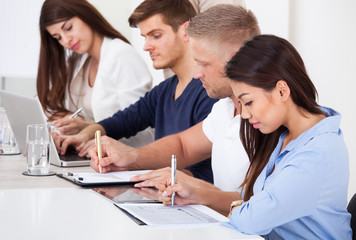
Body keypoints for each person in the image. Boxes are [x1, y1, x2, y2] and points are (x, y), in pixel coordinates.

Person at [157, 35, 352, 239]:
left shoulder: (317, 153)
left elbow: (252, 218)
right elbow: (258, 200)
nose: (244, 114)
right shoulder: (286, 136)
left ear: (282, 91)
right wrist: (197, 195)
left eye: (248, 102)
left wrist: (244, 208)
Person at [88, 5, 260, 202]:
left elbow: (257, 205)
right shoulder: (224, 107)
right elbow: (183, 145)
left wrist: (192, 190)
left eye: (203, 64)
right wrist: (130, 159)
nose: (196, 73)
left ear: (235, 60)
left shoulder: (266, 119)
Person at [54, 0, 218, 183]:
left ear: (185, 31)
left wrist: (138, 168)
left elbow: (210, 176)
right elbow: (123, 120)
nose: (146, 46)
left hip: (187, 202)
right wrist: (86, 134)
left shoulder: (210, 92)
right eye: (145, 37)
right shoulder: (164, 90)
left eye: (156, 36)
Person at [37, 0, 153, 147]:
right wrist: (76, 124)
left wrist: (87, 129)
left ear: (85, 15)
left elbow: (139, 126)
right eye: (58, 37)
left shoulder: (121, 54)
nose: (66, 40)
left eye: (68, 28)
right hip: (98, 153)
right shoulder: (80, 60)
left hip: (130, 156)